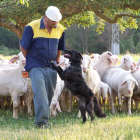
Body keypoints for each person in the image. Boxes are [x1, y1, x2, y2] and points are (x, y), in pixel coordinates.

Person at [20, 6, 65, 128]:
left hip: (51, 66)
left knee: (49, 94)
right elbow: (23, 47)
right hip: (35, 66)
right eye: (53, 21)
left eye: (57, 21)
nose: (55, 23)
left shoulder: (60, 29)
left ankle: (43, 118)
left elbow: (60, 48)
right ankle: (41, 122)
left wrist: (56, 62)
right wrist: (31, 60)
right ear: (46, 17)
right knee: (40, 93)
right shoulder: (31, 27)